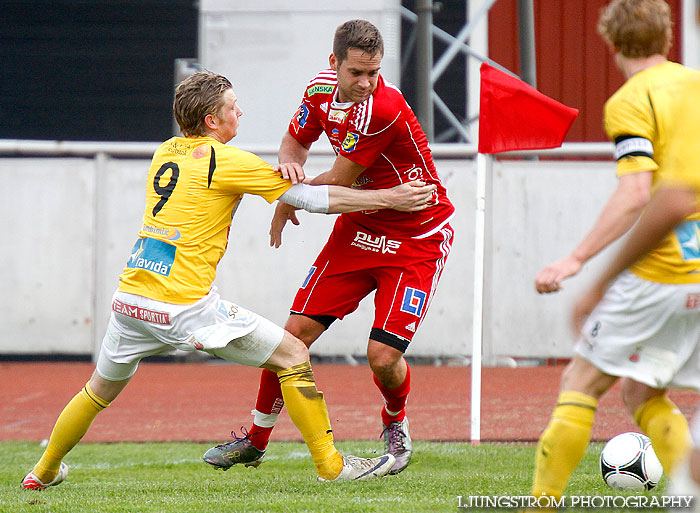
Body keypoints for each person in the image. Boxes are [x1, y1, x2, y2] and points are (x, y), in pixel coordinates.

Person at [20, 70, 441, 490]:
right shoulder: (225, 160)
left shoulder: (166, 151)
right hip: (185, 308)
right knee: (293, 353)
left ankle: (42, 472)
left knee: (96, 392)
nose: (240, 110)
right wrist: (389, 197)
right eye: (231, 106)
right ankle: (332, 465)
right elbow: (310, 198)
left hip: (131, 300)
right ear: (211, 121)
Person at [203, 19, 455, 476]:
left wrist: (285, 200)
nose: (365, 83)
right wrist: (287, 174)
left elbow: (339, 182)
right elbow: (294, 144)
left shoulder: (384, 108)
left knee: (382, 357)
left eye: (374, 73)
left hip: (417, 236)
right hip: (359, 227)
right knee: (291, 336)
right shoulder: (319, 91)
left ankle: (395, 421)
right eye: (356, 72)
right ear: (333, 62)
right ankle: (255, 442)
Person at [529, 0, 700, 502]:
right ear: (667, 37)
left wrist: (577, 261)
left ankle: (541, 505)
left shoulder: (631, 100)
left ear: (612, 43)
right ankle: (687, 493)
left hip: (661, 270)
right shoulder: (694, 85)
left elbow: (636, 193)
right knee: (640, 390)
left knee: (581, 380)